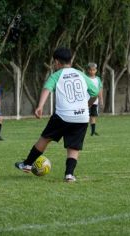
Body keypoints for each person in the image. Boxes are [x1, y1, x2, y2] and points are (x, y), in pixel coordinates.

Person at [14, 48, 99, 182]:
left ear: (56, 62)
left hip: (63, 115)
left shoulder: (56, 75)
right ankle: (69, 175)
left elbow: (47, 89)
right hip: (82, 117)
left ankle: (28, 164)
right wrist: (87, 105)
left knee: (45, 139)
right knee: (74, 146)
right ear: (70, 61)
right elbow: (95, 92)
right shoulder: (81, 74)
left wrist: (40, 106)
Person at [87, 62, 103, 136]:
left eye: (93, 70)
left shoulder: (98, 79)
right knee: (85, 116)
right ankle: (82, 131)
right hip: (86, 101)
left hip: (95, 101)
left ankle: (93, 132)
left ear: (96, 70)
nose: (92, 71)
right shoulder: (85, 78)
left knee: (93, 116)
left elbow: (100, 90)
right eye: (90, 70)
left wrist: (101, 100)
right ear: (88, 70)